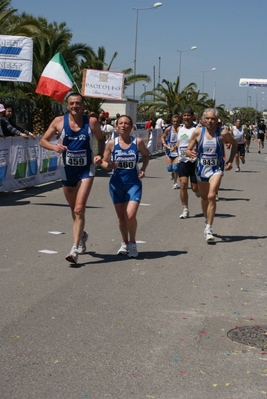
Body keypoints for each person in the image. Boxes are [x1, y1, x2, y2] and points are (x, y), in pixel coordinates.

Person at [39, 92, 105, 264]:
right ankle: (82, 235)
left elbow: (101, 138)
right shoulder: (59, 121)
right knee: (73, 209)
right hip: (67, 170)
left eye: (78, 103)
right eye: (72, 103)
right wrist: (55, 147)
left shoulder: (91, 122)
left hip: (86, 170)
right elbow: (43, 141)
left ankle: (74, 248)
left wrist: (99, 154)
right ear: (67, 106)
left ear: (83, 105)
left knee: (79, 209)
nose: (75, 106)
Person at [95, 115, 149, 258]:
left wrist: (143, 168)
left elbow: (146, 155)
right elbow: (105, 163)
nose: (123, 126)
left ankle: (132, 242)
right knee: (121, 218)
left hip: (133, 184)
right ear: (117, 127)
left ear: (131, 127)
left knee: (130, 215)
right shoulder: (112, 144)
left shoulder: (137, 142)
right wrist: (103, 163)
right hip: (116, 184)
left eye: (126, 123)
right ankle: (124, 242)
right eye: (121, 123)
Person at [186, 108, 237, 242]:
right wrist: (189, 153)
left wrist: (231, 161)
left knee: (211, 195)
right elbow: (188, 149)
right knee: (203, 198)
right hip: (202, 169)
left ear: (217, 120)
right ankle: (206, 219)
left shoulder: (223, 133)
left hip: (217, 168)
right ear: (203, 120)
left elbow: (235, 144)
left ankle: (209, 228)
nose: (210, 121)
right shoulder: (198, 132)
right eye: (208, 118)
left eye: (213, 119)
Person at [177, 109, 200, 219]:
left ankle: (198, 191)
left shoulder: (197, 129)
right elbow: (178, 142)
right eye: (184, 115)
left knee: (194, 188)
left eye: (188, 115)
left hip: (194, 161)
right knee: (183, 184)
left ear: (193, 116)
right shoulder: (179, 129)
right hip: (182, 161)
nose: (186, 117)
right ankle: (185, 208)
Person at [161, 114, 180, 189]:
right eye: (174, 121)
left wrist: (176, 146)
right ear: (172, 122)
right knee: (169, 168)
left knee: (175, 167)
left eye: (177, 121)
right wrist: (164, 144)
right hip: (169, 150)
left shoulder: (180, 130)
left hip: (177, 151)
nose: (175, 123)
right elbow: (162, 137)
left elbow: (183, 140)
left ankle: (175, 182)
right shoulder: (169, 129)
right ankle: (171, 173)